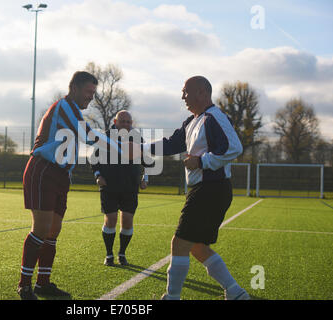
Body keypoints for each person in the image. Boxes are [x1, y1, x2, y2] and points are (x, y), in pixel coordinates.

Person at [18, 71, 127, 300]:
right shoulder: (64, 106)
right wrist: (119, 147)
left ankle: (43, 283)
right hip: (43, 170)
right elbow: (88, 135)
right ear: (74, 88)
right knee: (41, 228)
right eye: (88, 92)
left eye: (93, 93)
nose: (91, 97)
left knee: (53, 231)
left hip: (60, 175)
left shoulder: (74, 110)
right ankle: (24, 285)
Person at [142, 76, 250, 300]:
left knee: (180, 243)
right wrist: (141, 147)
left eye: (186, 91)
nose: (182, 96)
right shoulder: (192, 121)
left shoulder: (213, 117)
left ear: (202, 92)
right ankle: (235, 292)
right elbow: (172, 143)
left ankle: (172, 297)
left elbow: (233, 147)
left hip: (211, 189)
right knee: (197, 246)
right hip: (205, 190)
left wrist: (201, 161)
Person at [91, 110, 149, 266]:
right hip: (109, 186)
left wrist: (145, 177)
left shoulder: (137, 139)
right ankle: (109, 254)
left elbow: (147, 161)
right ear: (115, 122)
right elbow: (94, 159)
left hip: (130, 187)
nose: (125, 125)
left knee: (128, 221)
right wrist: (98, 175)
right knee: (111, 219)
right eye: (122, 121)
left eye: (128, 122)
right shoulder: (105, 138)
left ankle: (122, 253)